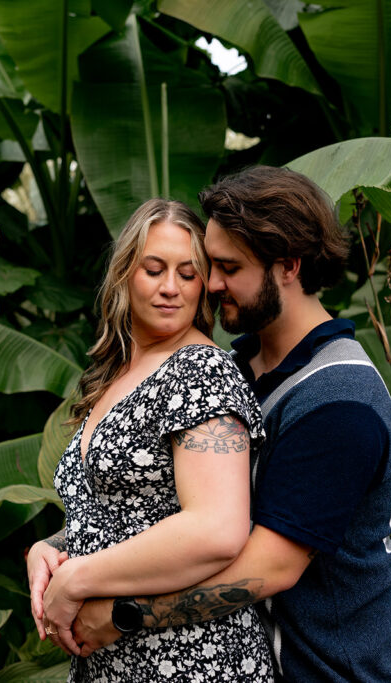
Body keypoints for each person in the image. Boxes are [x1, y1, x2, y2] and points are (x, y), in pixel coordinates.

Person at [57, 167, 391, 681]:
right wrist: (54, 550)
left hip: (336, 670)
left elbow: (270, 566)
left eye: (227, 267)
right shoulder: (245, 367)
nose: (212, 283)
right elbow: (152, 506)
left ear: (288, 266)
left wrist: (123, 614)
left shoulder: (339, 399)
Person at [26, 198, 274, 682]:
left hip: (191, 660)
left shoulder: (201, 371)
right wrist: (49, 548)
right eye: (154, 269)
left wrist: (78, 577)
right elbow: (124, 514)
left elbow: (217, 530)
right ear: (124, 274)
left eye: (187, 273)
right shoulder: (118, 372)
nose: (170, 288)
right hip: (112, 661)